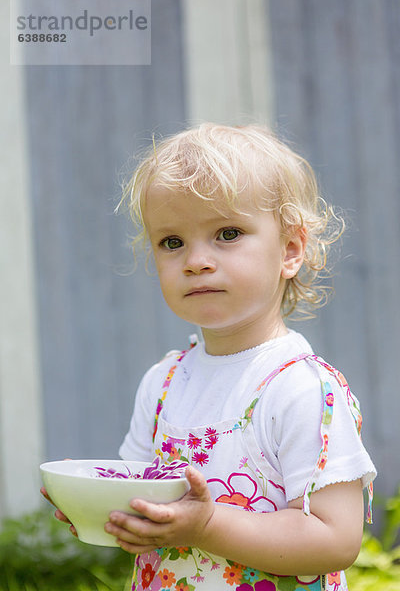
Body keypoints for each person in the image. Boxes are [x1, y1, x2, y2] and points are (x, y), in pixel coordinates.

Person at [44, 124, 377, 591]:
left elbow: (334, 539)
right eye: (172, 242)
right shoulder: (163, 383)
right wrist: (102, 508)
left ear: (291, 250)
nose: (196, 260)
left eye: (227, 233)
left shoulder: (301, 389)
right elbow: (142, 495)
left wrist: (205, 525)